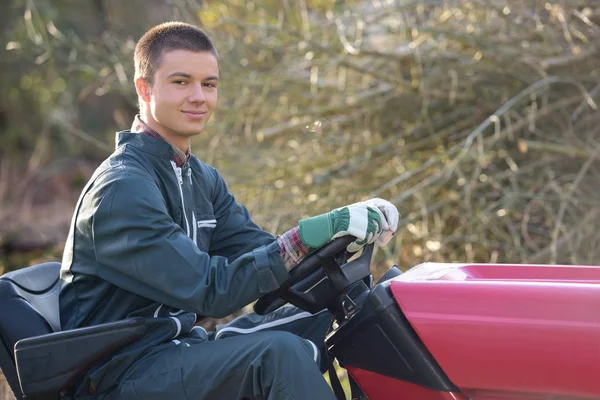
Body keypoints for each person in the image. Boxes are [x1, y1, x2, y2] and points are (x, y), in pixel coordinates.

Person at [59, 21, 399, 400]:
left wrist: (340, 234)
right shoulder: (122, 188)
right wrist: (306, 235)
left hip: (178, 347)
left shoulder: (198, 177)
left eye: (209, 84)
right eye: (180, 82)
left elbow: (261, 253)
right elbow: (209, 289)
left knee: (344, 314)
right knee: (277, 356)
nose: (198, 97)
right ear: (144, 87)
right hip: (118, 373)